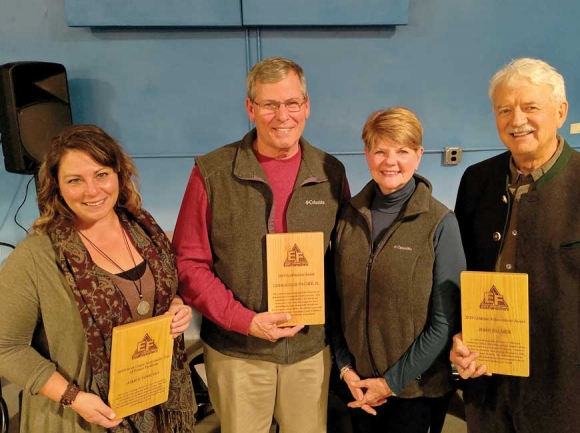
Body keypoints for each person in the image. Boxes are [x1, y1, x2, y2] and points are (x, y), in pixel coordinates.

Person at [172, 56, 350, 433]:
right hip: (238, 351)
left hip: (309, 352)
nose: (282, 115)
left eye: (291, 103)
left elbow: (344, 260)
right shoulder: (212, 173)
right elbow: (189, 263)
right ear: (250, 109)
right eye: (269, 104)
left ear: (307, 107)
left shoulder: (331, 173)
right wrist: (245, 321)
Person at [0, 125, 196, 432]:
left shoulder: (144, 229)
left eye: (101, 174)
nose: (93, 190)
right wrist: (73, 398)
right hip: (79, 418)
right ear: (56, 188)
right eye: (75, 180)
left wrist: (177, 307)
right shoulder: (37, 256)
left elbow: (158, 295)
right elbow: (5, 348)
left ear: (119, 174)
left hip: (155, 404)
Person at [450, 57, 578, 432]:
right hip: (487, 382)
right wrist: (457, 339)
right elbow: (460, 274)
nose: (516, 119)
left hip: (564, 391)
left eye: (530, 107)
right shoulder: (476, 181)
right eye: (505, 109)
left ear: (560, 111)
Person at [331, 107, 465, 433]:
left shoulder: (440, 223)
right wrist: (346, 367)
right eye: (380, 151)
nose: (391, 161)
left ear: (418, 156)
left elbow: (444, 323)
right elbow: (336, 302)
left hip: (415, 394)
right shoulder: (347, 217)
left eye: (402, 151)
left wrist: (390, 383)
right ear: (367, 155)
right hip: (355, 385)